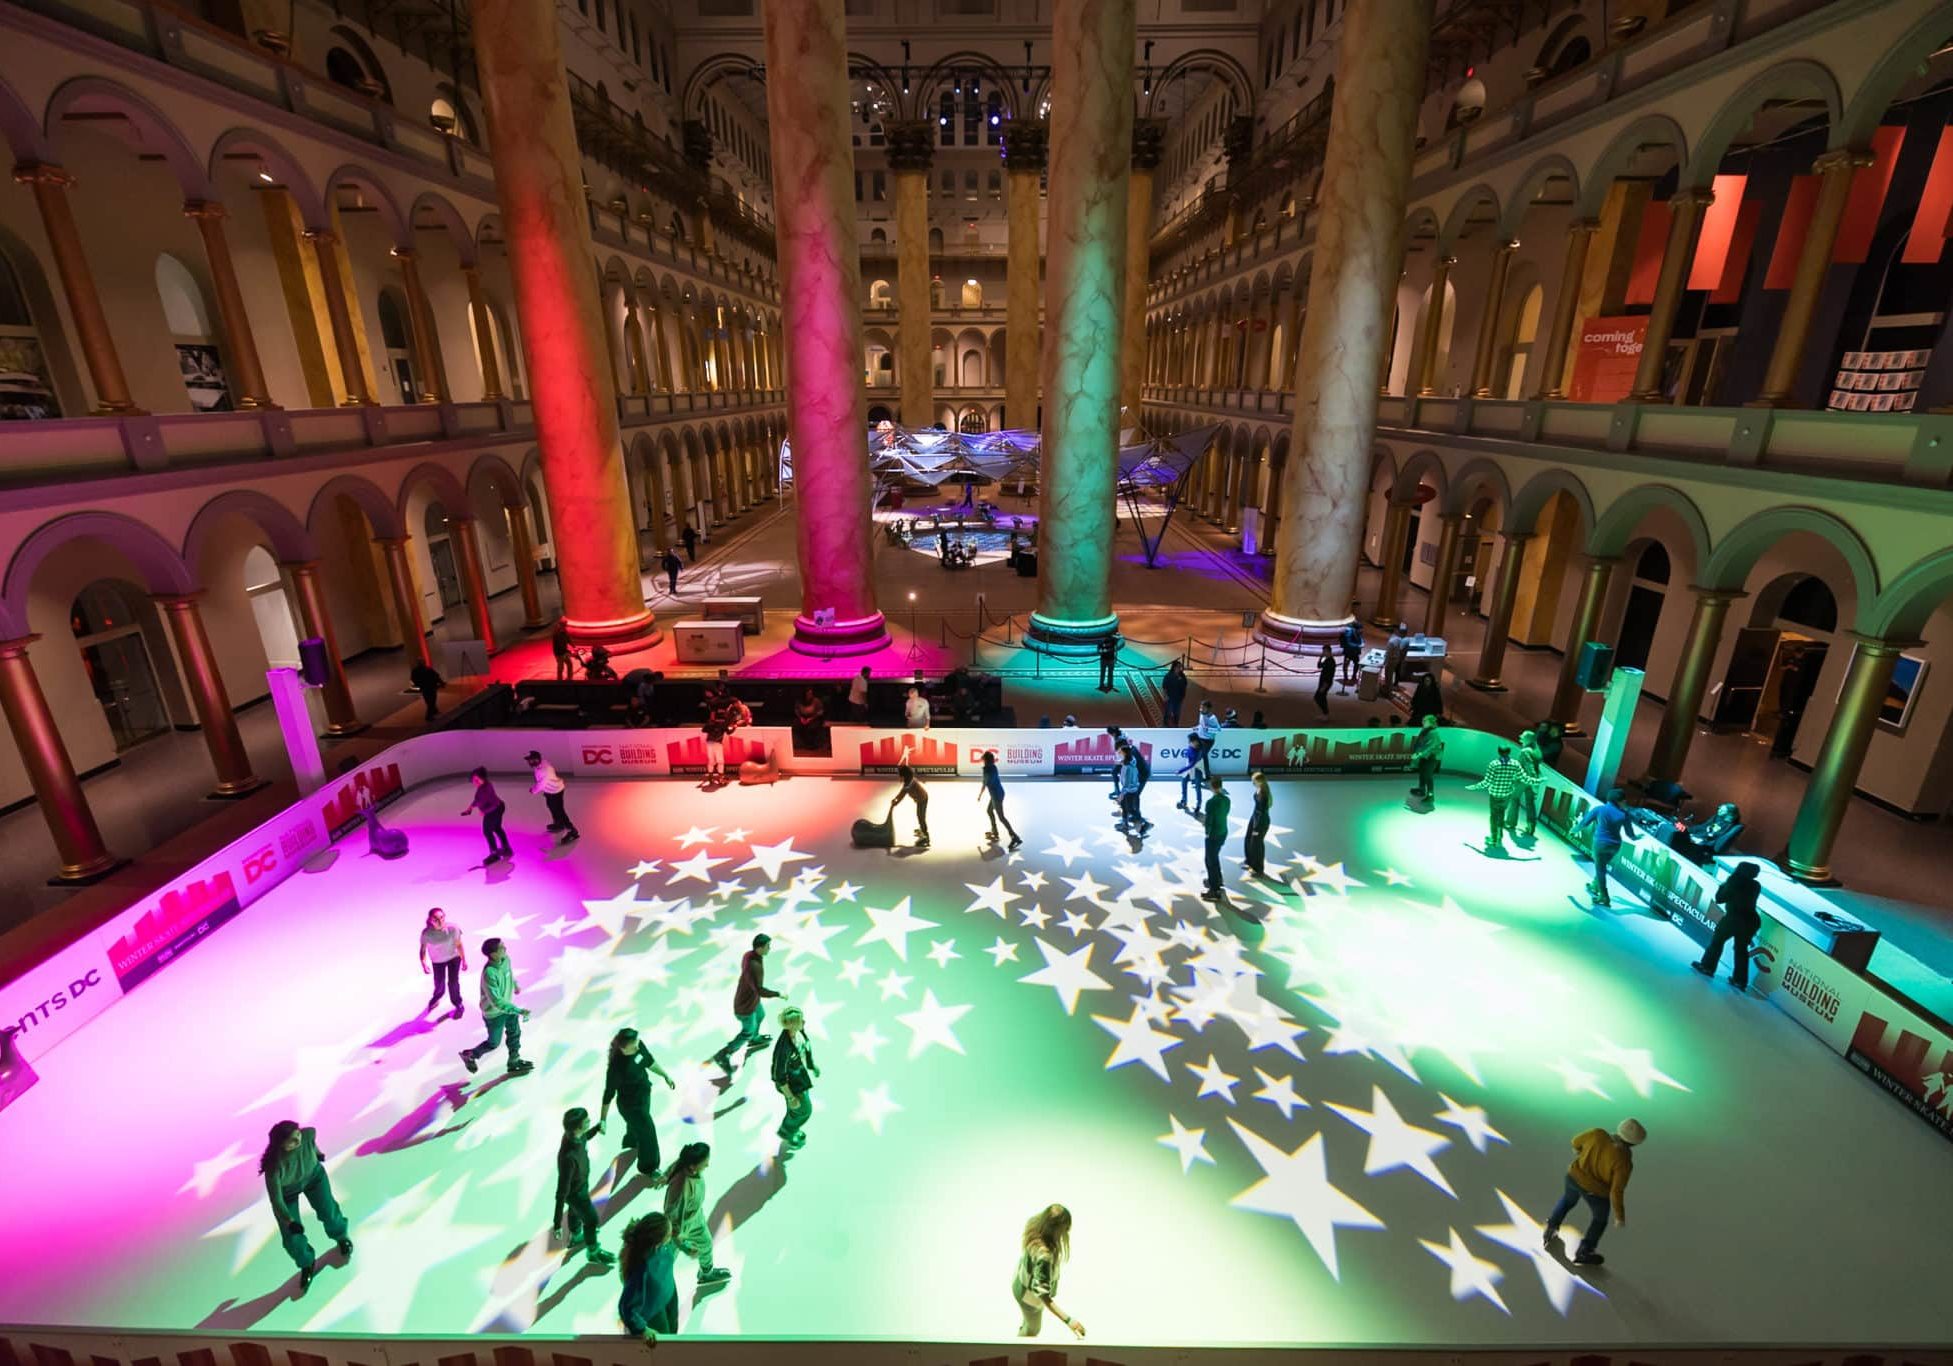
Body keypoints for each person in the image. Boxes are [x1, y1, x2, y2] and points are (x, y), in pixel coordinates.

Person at [261, 1120, 352, 1295]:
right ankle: (307, 1262)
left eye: (298, 1135)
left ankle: (341, 1237)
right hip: (287, 1193)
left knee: (329, 1211)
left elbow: (311, 1143)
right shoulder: (274, 1166)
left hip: (314, 1178)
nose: (298, 1141)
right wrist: (289, 1221)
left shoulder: (308, 1134)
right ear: (280, 1145)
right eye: (292, 1141)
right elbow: (276, 1199)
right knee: (292, 1237)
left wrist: (318, 1153)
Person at [1542, 1118, 1646, 1267]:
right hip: (1595, 1192)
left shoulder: (1598, 1134)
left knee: (1567, 1201)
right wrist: (1619, 1216)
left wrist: (1579, 1151)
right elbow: (1616, 1190)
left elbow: (1575, 1141)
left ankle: (1551, 1226)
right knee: (1599, 1219)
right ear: (1633, 1143)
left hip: (1573, 1177)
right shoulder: (1624, 1161)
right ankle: (1585, 1250)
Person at [600, 1027, 675, 1179]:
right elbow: (608, 1095)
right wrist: (603, 1120)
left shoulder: (638, 1045)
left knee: (639, 1128)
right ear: (623, 1049)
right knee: (648, 1133)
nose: (637, 1047)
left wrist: (665, 1075)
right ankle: (649, 1168)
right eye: (633, 1046)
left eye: (637, 1043)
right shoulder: (616, 1069)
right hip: (630, 1106)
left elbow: (649, 1061)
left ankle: (631, 1141)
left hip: (644, 1095)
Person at [554, 1108, 617, 1268]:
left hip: (580, 1185)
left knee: (575, 1211)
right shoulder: (568, 1158)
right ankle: (593, 1252)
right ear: (577, 1127)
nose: (589, 1121)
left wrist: (596, 1128)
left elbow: (585, 1137)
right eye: (587, 1121)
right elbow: (561, 1192)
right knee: (591, 1219)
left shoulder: (575, 1137)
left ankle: (575, 1236)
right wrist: (557, 1223)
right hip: (576, 1193)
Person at [460, 937, 532, 1075]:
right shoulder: (489, 973)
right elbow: (496, 1002)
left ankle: (514, 1061)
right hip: (494, 1013)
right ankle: (470, 1055)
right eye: (502, 948)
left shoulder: (506, 959)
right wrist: (518, 1010)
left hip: (508, 1007)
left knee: (514, 1033)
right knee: (494, 1043)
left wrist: (515, 985)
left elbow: (509, 974)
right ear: (493, 954)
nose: (505, 948)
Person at [662, 1143, 731, 1286]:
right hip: (681, 1230)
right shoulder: (681, 1188)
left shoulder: (689, 1166)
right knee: (667, 1261)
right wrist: (684, 1247)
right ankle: (655, 1287)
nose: (707, 1165)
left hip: (696, 1220)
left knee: (706, 1244)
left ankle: (706, 1273)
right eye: (705, 1162)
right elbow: (672, 1221)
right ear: (693, 1166)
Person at [1012, 1204, 1085, 1339]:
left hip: (1020, 1281)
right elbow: (1043, 1294)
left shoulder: (1035, 1224)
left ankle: (1024, 1327)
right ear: (1057, 1230)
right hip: (1028, 1298)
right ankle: (1015, 1346)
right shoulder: (1044, 1257)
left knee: (1028, 1322)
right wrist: (1069, 1321)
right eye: (1065, 1229)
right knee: (1032, 1330)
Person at [711, 934, 779, 1071]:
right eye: (767, 946)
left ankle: (754, 1038)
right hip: (745, 1005)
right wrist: (778, 994)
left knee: (760, 1015)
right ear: (759, 948)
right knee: (747, 1032)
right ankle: (723, 1054)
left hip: (752, 999)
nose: (769, 948)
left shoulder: (749, 955)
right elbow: (760, 990)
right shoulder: (755, 965)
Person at [1694, 861, 1763, 990]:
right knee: (1741, 950)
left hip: (1734, 918)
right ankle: (1740, 981)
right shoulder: (1756, 885)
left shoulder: (1734, 880)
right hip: (1751, 921)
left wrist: (1723, 886)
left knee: (1717, 942)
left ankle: (1707, 967)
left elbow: (1720, 899)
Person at [1575, 787, 1642, 907]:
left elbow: (1584, 823)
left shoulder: (1600, 809)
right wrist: (1637, 837)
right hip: (1615, 846)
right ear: (1619, 801)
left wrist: (1574, 830)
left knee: (1600, 869)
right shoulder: (1624, 814)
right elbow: (1630, 835)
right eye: (1624, 800)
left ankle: (1604, 896)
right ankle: (1594, 886)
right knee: (1602, 866)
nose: (1625, 802)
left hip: (1600, 844)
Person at [617, 1213, 679, 1341]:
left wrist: (686, 1247)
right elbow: (625, 1307)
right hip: (654, 1312)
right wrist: (643, 1329)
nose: (671, 1234)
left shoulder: (664, 1248)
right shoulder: (642, 1269)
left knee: (673, 1332)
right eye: (669, 1233)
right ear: (658, 1240)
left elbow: (674, 1243)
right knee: (665, 1342)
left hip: (669, 1297)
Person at [1466, 744, 1533, 854]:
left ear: (1498, 752)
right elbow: (1525, 778)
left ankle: (1493, 838)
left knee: (1493, 816)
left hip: (1495, 795)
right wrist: (1537, 781)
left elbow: (1486, 782)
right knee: (1501, 815)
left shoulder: (1494, 764)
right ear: (1509, 752)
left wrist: (1474, 787)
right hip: (1506, 794)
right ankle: (1499, 838)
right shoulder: (1515, 764)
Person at [772, 1005, 819, 1153]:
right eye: (800, 1020)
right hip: (791, 1084)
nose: (803, 1022)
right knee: (803, 1111)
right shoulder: (783, 1048)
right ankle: (787, 1132)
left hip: (800, 1077)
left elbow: (806, 1047)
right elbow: (779, 1075)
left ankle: (791, 1128)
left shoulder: (799, 1032)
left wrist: (811, 1065)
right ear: (792, 1025)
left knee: (799, 1110)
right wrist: (790, 1097)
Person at [419, 907, 467, 1019]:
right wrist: (424, 964)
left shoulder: (453, 928)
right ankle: (437, 997)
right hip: (438, 961)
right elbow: (423, 950)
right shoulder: (426, 934)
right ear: (430, 920)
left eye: (442, 918)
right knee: (439, 982)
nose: (440, 921)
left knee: (453, 982)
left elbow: (459, 944)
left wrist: (464, 960)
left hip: (454, 957)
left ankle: (457, 1003)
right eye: (435, 919)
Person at [461, 767, 512, 866]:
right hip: (497, 809)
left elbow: (495, 804)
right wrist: (471, 807)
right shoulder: (483, 786)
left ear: (483, 778)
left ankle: (494, 854)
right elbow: (478, 799)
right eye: (473, 780)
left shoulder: (487, 788)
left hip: (494, 811)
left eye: (477, 780)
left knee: (487, 831)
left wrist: (485, 812)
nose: (475, 782)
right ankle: (506, 848)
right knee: (497, 828)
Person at [526, 750, 578, 844]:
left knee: (559, 811)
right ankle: (559, 824)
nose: (529, 762)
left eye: (531, 760)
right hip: (550, 791)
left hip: (555, 791)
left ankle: (572, 831)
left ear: (537, 759)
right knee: (551, 807)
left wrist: (533, 790)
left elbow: (541, 784)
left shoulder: (545, 770)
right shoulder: (541, 764)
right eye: (529, 760)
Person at [1670, 802, 1742, 865]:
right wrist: (1688, 830)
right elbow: (1702, 827)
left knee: (1677, 839)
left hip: (1703, 844)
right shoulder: (1717, 817)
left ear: (1729, 814)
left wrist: (1700, 841)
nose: (1719, 810)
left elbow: (1716, 839)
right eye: (1719, 808)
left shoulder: (1729, 826)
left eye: (1722, 810)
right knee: (1674, 832)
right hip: (1695, 838)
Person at [978, 750, 1022, 849]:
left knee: (1001, 817)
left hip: (996, 796)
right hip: (999, 793)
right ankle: (995, 831)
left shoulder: (987, 770)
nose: (982, 760)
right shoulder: (993, 767)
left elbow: (985, 783)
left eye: (983, 759)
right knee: (989, 810)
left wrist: (980, 794)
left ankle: (1015, 837)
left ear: (986, 760)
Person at [889, 748, 931, 848]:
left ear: (905, 776)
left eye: (901, 776)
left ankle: (926, 837)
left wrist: (896, 802)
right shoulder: (908, 781)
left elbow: (902, 795)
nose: (900, 778)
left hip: (922, 799)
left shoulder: (909, 784)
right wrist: (895, 799)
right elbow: (901, 791)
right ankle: (922, 831)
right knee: (919, 816)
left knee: (921, 817)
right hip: (920, 799)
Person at [1201, 774, 1232, 900]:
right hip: (1223, 831)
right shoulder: (1226, 800)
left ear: (1211, 787)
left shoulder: (1211, 803)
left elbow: (1209, 821)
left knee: (1210, 861)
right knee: (1214, 857)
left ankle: (1214, 890)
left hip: (1213, 834)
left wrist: (1207, 832)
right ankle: (1217, 880)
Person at [1114, 741, 1150, 838]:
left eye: (1120, 752)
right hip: (1132, 789)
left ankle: (1144, 823)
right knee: (1124, 806)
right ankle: (1125, 825)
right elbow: (1125, 761)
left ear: (1124, 753)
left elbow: (1126, 784)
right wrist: (1120, 762)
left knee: (1130, 809)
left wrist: (1120, 796)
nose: (1118, 753)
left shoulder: (1128, 768)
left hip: (1130, 791)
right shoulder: (1131, 760)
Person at [1243, 771, 1272, 878]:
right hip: (1255, 817)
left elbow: (1261, 813)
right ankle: (1249, 861)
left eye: (1254, 781)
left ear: (1259, 781)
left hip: (1260, 822)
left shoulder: (1263, 794)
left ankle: (1258, 869)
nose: (1252, 783)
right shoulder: (1260, 789)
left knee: (1257, 845)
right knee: (1248, 839)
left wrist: (1256, 828)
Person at [1515, 730, 1544, 836]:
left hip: (1524, 780)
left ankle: (1510, 822)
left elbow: (1529, 766)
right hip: (1532, 781)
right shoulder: (1537, 751)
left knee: (1514, 799)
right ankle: (1531, 825)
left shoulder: (1525, 751)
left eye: (1523, 737)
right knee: (1530, 803)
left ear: (1528, 739)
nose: (1520, 738)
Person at [1409, 715, 1444, 803]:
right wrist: (1417, 752)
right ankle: (1421, 789)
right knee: (1422, 772)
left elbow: (1430, 747)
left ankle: (1430, 795)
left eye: (1425, 721)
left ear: (1431, 722)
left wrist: (1419, 754)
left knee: (1428, 775)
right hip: (1425, 756)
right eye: (1423, 720)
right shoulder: (1424, 730)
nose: (1423, 722)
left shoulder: (1433, 733)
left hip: (1432, 757)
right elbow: (1420, 743)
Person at [1176, 732, 1212, 815]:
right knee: (1184, 782)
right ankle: (1184, 800)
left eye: (1190, 741)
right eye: (1189, 741)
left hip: (1197, 768)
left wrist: (1180, 771)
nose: (1189, 742)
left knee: (1197, 786)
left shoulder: (1198, 752)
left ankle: (1198, 804)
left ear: (1195, 741)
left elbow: (1191, 765)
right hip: (1189, 766)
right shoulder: (1192, 745)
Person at [793, 686, 829, 752]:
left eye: (811, 694)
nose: (810, 695)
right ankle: (800, 744)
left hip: (814, 717)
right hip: (802, 718)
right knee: (796, 725)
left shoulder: (816, 701)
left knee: (812, 727)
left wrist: (811, 718)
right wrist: (801, 718)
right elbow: (796, 710)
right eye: (808, 694)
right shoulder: (799, 701)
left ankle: (812, 745)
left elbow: (820, 711)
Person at [701, 707, 729, 786]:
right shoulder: (724, 723)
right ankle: (721, 779)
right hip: (717, 743)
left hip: (709, 743)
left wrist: (710, 723)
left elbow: (703, 730)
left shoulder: (711, 722)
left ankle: (710, 778)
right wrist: (735, 727)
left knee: (711, 760)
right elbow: (729, 732)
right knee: (720, 761)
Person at [1162, 658, 1189, 725]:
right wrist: (1165, 696)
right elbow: (1164, 687)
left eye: (1180, 667)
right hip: (1170, 698)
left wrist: (1183, 695)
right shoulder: (1168, 676)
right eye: (1178, 667)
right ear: (1174, 667)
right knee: (1168, 712)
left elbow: (1185, 684)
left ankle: (1176, 724)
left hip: (1179, 698)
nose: (1180, 668)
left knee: (1177, 713)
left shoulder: (1182, 675)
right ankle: (1165, 724)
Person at [1383, 623, 1410, 690]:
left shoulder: (1393, 641)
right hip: (1397, 659)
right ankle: (1391, 686)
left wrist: (1384, 662)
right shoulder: (1399, 639)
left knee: (1389, 674)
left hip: (1393, 659)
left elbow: (1389, 653)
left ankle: (1389, 688)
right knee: (1392, 673)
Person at [1340, 619, 1364, 686]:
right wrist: (1358, 646)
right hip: (1348, 651)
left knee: (1356, 663)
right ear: (1356, 629)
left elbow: (1360, 638)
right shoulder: (1349, 632)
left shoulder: (1358, 631)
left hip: (1355, 651)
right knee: (1346, 664)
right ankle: (1345, 677)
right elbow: (1348, 643)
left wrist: (1362, 642)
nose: (1361, 631)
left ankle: (1354, 676)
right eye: (1360, 630)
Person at [1314, 643, 1335, 718]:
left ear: (1328, 651)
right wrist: (1320, 658)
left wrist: (1324, 685)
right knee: (1322, 697)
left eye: (1324, 651)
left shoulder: (1331, 662)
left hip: (1326, 683)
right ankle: (1325, 714)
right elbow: (1319, 666)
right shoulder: (1326, 660)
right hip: (1323, 682)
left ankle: (1326, 713)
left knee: (1317, 697)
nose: (1323, 653)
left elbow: (1329, 675)